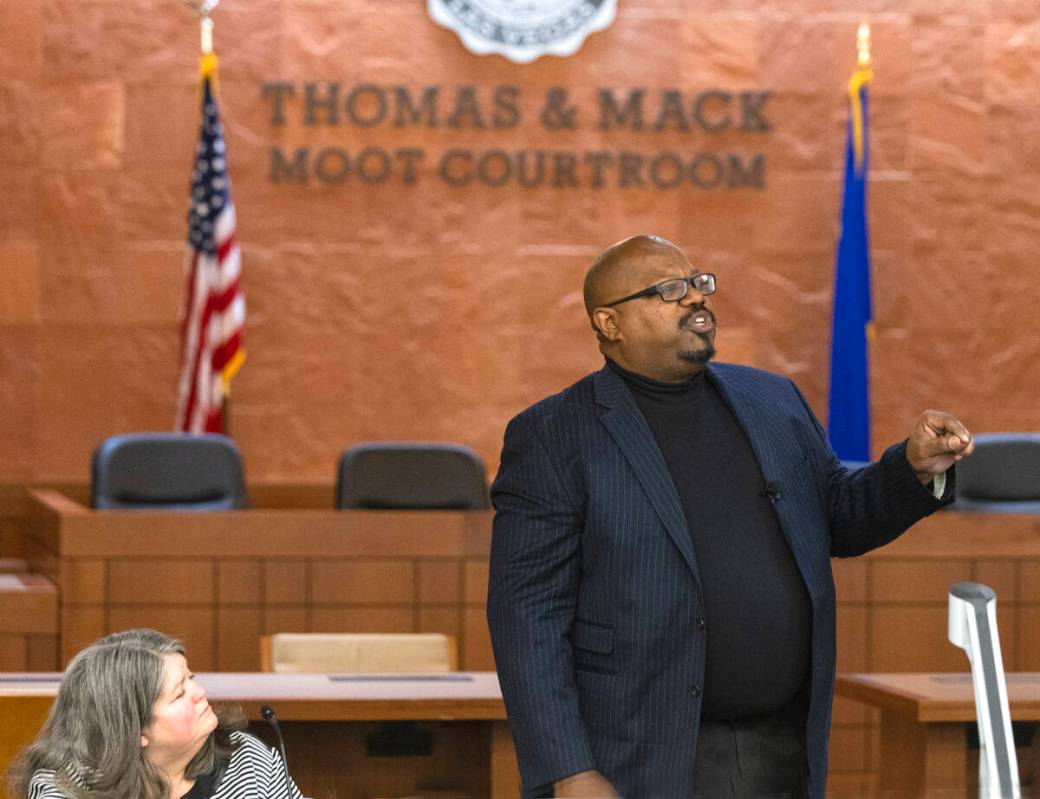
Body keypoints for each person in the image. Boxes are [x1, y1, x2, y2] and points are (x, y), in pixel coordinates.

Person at [486, 234, 974, 798]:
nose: (695, 298)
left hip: (781, 748)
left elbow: (837, 515)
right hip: (639, 757)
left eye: (698, 283)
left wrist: (912, 469)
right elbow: (527, 617)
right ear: (609, 323)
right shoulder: (553, 434)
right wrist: (568, 771)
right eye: (669, 290)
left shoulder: (772, 400)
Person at [8, 628, 304, 799]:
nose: (199, 692)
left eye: (191, 678)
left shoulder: (245, 758)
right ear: (136, 730)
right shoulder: (66, 787)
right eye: (179, 693)